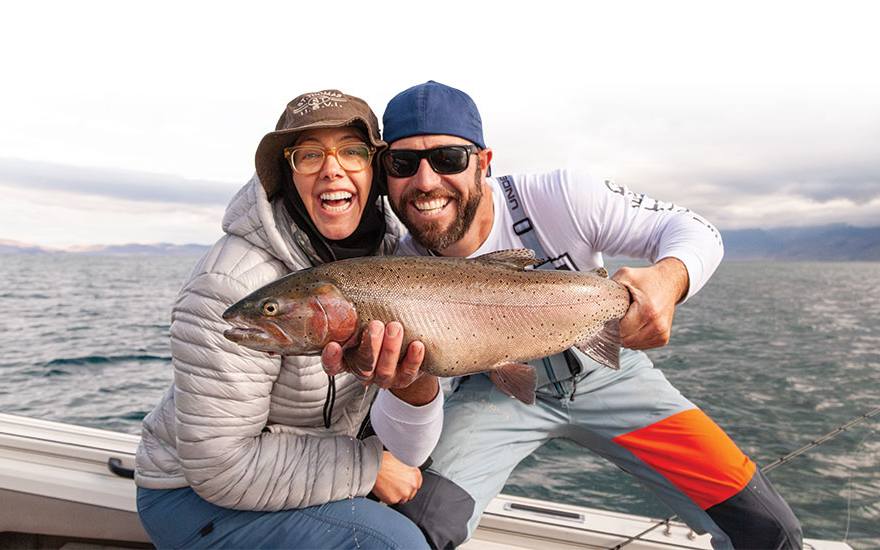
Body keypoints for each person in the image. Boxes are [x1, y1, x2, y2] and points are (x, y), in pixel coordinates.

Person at [327, 81, 803, 550]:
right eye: (403, 163)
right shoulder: (392, 261)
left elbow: (694, 229)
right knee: (413, 529)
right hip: (490, 391)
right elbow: (406, 423)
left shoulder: (561, 196)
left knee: (767, 530)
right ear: (385, 173)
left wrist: (668, 279)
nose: (426, 181)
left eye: (449, 159)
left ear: (485, 163)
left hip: (608, 373)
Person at [133, 89, 441, 550]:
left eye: (352, 151)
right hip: (191, 496)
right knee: (395, 545)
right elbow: (221, 467)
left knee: (446, 510)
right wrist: (368, 466)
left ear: (373, 169)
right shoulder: (230, 283)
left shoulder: (395, 259)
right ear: (287, 173)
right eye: (309, 154)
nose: (332, 168)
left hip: (304, 463)